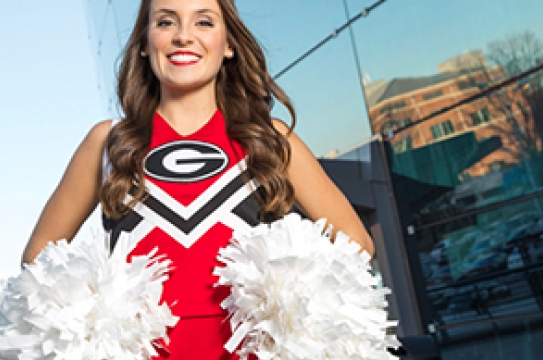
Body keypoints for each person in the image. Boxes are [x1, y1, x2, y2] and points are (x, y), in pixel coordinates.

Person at [20, 0, 375, 358]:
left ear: (229, 44)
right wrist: (98, 319)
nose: (184, 36)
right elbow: (38, 256)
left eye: (204, 22)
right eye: (165, 22)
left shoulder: (269, 140)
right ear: (144, 43)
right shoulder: (108, 143)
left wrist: (288, 303)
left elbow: (356, 243)